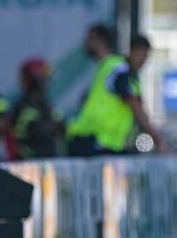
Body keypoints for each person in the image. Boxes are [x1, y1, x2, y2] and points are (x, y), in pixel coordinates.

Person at [66, 25, 167, 156]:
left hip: (105, 143)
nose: (142, 59)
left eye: (145, 55)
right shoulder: (118, 68)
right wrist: (158, 139)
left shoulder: (129, 77)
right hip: (92, 139)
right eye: (139, 53)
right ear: (130, 52)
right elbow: (135, 106)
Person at [11, 57, 63, 159]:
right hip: (29, 163)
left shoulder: (48, 103)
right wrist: (49, 127)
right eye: (44, 79)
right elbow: (35, 132)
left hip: (49, 160)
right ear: (33, 81)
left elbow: (62, 128)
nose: (47, 83)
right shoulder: (24, 105)